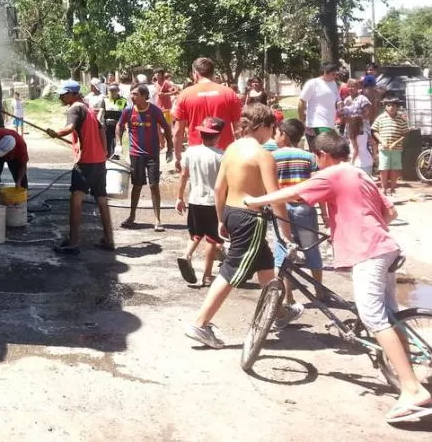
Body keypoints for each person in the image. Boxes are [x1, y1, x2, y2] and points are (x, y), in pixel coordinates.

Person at [246, 132, 432, 425]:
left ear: (322, 155)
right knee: (390, 316)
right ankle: (404, 369)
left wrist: (256, 200)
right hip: (385, 246)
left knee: (373, 318)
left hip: (367, 252)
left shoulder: (333, 173)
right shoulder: (360, 173)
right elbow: (391, 211)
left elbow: (296, 193)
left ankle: (412, 388)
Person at [184, 103, 293, 349]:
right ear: (264, 126)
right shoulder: (263, 155)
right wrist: (286, 234)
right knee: (233, 269)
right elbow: (274, 197)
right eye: (272, 127)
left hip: (232, 213)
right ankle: (200, 324)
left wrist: (221, 218)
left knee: (265, 264)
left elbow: (218, 188)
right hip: (249, 217)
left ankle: (279, 313)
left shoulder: (231, 148)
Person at [47, 80, 114, 254]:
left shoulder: (75, 108)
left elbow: (69, 127)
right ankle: (108, 239)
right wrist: (104, 151)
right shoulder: (88, 109)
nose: (61, 97)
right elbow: (101, 130)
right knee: (101, 199)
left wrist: (56, 133)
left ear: (73, 94)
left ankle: (73, 243)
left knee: (76, 199)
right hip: (99, 162)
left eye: (64, 94)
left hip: (85, 163)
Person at [270, 119, 325, 324]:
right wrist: (324, 214)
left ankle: (288, 296)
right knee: (311, 248)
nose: (275, 137)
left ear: (284, 135)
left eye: (276, 133)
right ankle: (319, 290)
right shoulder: (309, 157)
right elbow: (317, 186)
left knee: (283, 251)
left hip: (280, 208)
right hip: (304, 208)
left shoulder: (271, 157)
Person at [175, 117, 225, 286]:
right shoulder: (221, 156)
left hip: (195, 200)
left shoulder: (190, 152)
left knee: (196, 232)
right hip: (213, 202)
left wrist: (179, 197)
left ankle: (187, 254)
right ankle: (208, 275)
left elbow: (183, 175)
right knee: (212, 239)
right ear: (218, 136)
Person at [118, 85, 174, 232]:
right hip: (135, 154)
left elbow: (166, 127)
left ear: (144, 96)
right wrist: (119, 144)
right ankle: (132, 216)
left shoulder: (154, 110)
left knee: (154, 186)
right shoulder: (128, 110)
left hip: (152, 154)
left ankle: (157, 219)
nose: (132, 96)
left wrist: (170, 148)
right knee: (136, 186)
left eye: (135, 94)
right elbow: (119, 125)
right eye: (131, 94)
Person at [173, 57, 242, 174]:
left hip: (197, 154)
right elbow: (239, 128)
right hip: (224, 153)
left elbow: (178, 131)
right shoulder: (229, 93)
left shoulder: (185, 95)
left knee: (199, 189)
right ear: (213, 73)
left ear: (195, 73)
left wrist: (178, 157)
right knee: (225, 190)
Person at [372, 97, 410, 195]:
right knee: (384, 168)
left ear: (397, 107)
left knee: (395, 168)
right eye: (389, 105)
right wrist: (382, 141)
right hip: (383, 148)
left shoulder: (401, 119)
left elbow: (405, 133)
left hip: (396, 148)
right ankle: (384, 188)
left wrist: (395, 143)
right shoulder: (381, 118)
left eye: (393, 105)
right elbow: (375, 130)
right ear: (385, 107)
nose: (391, 107)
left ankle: (393, 188)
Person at [299, 62, 340, 147]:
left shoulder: (333, 84)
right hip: (316, 124)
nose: (335, 76)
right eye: (333, 74)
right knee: (324, 149)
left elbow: (336, 100)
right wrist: (301, 119)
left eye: (336, 74)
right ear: (325, 72)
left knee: (324, 152)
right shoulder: (313, 83)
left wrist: (340, 106)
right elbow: (302, 102)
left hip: (330, 124)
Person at [342, 78, 372, 168]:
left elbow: (367, 112)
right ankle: (353, 165)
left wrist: (356, 118)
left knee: (362, 149)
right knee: (351, 148)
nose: (351, 89)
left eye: (353, 87)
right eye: (349, 87)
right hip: (349, 128)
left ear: (357, 88)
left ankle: (367, 168)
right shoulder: (346, 100)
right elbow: (344, 114)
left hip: (361, 128)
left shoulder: (362, 99)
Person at [104, 83, 127, 159]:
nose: (113, 92)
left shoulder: (123, 100)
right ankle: (108, 157)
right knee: (108, 141)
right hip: (107, 124)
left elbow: (125, 113)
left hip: (119, 124)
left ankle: (116, 157)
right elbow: (101, 112)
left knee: (116, 141)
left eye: (115, 90)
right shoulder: (105, 100)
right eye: (111, 91)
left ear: (118, 91)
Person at [84, 78, 107, 148]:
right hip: (90, 119)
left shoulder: (102, 97)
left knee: (100, 135)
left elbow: (103, 109)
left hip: (100, 119)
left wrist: (96, 110)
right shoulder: (88, 96)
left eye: (92, 86)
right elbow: (85, 107)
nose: (91, 87)